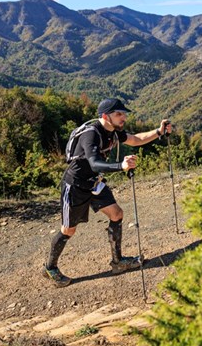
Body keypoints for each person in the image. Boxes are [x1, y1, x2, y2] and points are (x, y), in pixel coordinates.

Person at [42, 97, 172, 287]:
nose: (123, 118)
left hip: (94, 183)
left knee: (117, 214)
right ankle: (49, 267)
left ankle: (117, 262)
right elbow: (94, 163)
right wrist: (121, 165)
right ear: (105, 116)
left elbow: (136, 140)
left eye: (124, 114)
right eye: (118, 114)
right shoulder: (92, 134)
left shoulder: (114, 132)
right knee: (68, 230)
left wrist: (159, 132)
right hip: (75, 186)